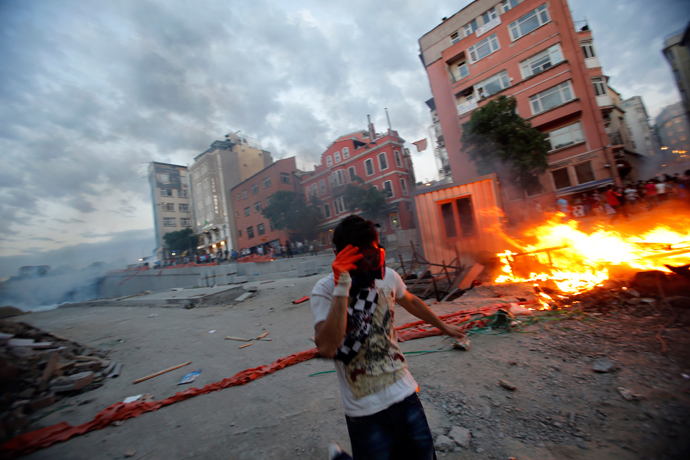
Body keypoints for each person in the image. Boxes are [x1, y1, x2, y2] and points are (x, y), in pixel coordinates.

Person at [311, 215, 469, 460]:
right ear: (338, 255)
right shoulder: (324, 290)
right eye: (359, 260)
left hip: (405, 396)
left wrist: (443, 326)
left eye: (372, 257)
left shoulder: (389, 277)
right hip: (364, 411)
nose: (367, 267)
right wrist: (342, 286)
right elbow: (328, 347)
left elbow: (412, 301)